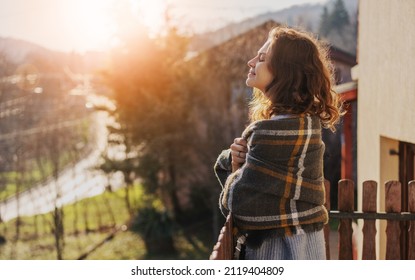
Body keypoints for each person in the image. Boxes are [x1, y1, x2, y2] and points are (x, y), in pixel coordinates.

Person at [214, 26, 343, 260]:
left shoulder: (269, 132)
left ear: (284, 72)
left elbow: (237, 203)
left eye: (262, 58)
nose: (251, 62)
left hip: (277, 252)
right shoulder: (308, 124)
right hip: (308, 246)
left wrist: (233, 168)